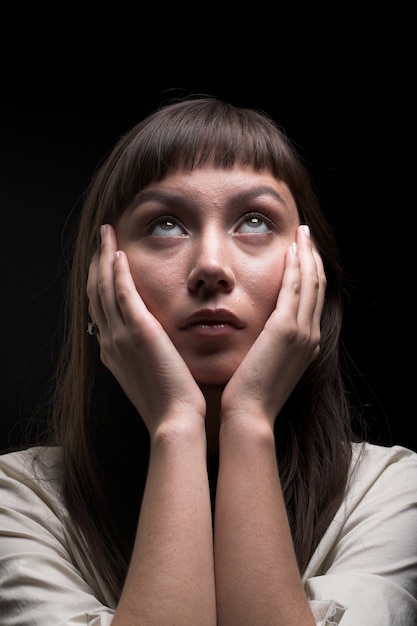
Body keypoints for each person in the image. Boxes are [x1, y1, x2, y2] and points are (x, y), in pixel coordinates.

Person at [0, 95, 416, 626]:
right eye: (166, 225)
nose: (212, 267)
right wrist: (177, 425)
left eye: (255, 220)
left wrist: (248, 420)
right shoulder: (19, 502)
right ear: (102, 280)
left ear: (312, 272)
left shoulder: (388, 493)